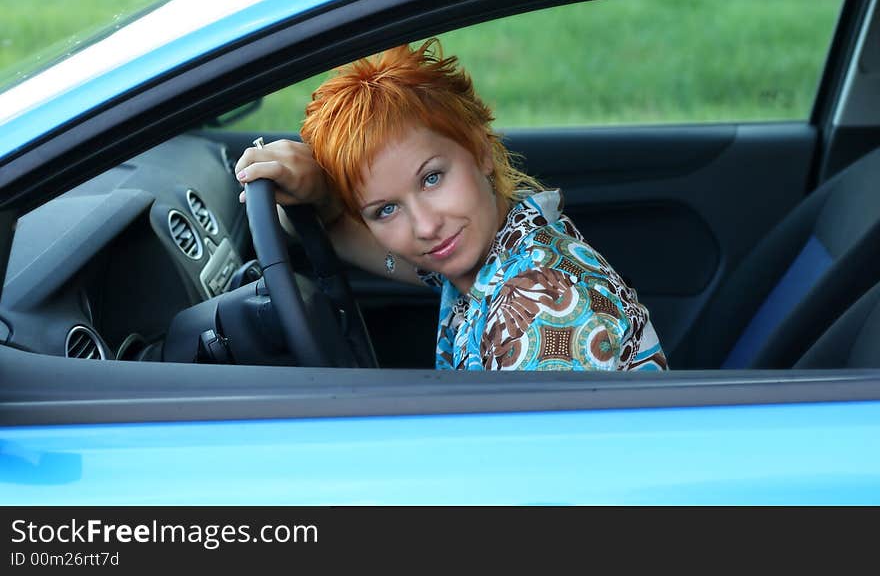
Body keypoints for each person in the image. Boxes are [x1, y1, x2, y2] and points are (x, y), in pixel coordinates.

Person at [235, 38, 667, 371]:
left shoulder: (542, 306)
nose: (424, 226)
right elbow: (357, 243)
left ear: (479, 151)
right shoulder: (498, 253)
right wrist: (320, 197)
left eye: (432, 178)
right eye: (385, 210)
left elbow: (533, 481)